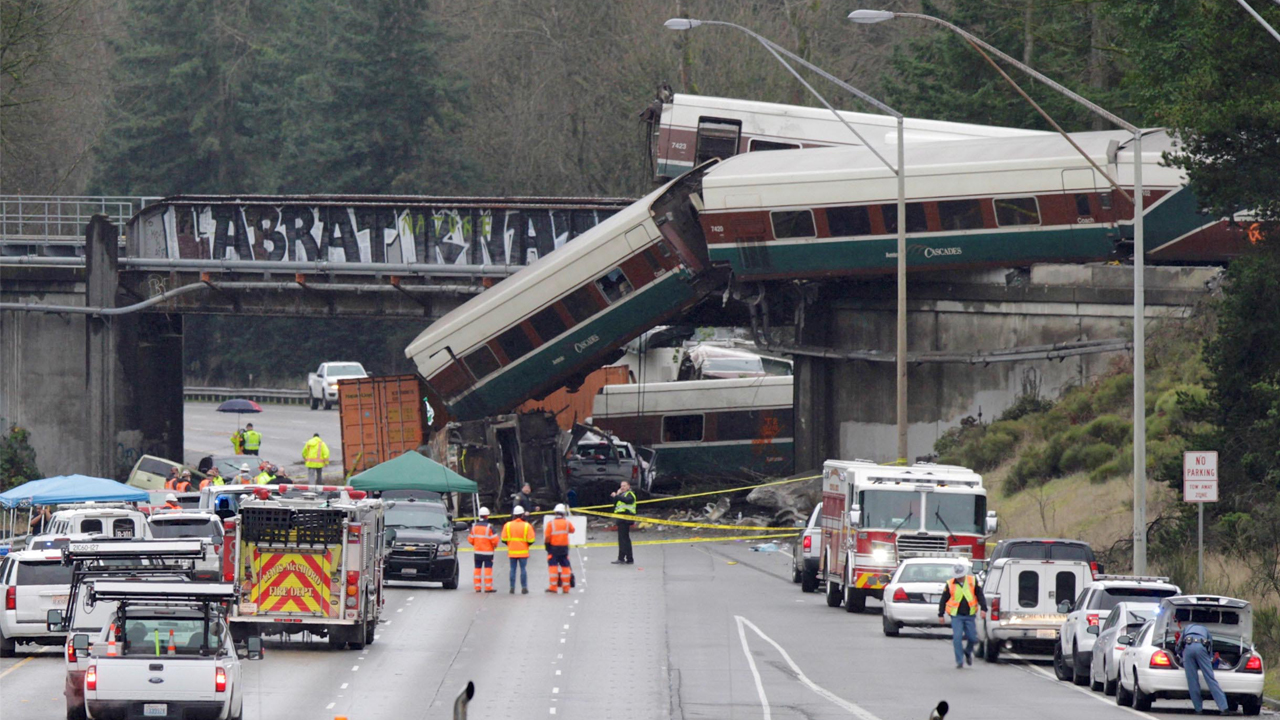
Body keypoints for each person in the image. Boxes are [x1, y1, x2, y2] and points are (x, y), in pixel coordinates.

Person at [937, 560, 987, 668]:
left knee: (973, 638)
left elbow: (980, 595)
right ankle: (959, 661)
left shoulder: (972, 581)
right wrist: (940, 615)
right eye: (957, 576)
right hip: (956, 616)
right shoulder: (950, 584)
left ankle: (968, 652)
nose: (959, 578)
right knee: (957, 638)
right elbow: (943, 600)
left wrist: (984, 608)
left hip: (970, 615)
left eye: (961, 576)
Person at [1176, 620, 1229, 714]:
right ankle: (1224, 707)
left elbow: (1178, 646)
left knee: (1192, 680)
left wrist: (1180, 655)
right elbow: (1210, 650)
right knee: (1210, 678)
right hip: (1201, 648)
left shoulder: (1186, 629)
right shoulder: (1206, 630)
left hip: (1188, 649)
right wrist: (1209, 661)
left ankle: (1198, 709)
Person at [500, 506, 536, 594]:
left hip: (512, 551)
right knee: (523, 569)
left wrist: (510, 544)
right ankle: (524, 587)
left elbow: (503, 539)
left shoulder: (507, 525)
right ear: (522, 515)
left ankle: (512, 588)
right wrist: (526, 545)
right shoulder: (527, 526)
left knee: (512, 569)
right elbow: (531, 540)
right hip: (523, 552)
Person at [466, 507, 499, 593]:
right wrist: (494, 546)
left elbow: (470, 539)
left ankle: (477, 587)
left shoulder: (474, 527)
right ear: (487, 516)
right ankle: (488, 588)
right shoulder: (489, 527)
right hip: (488, 553)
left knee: (477, 568)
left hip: (477, 552)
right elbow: (495, 540)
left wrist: (476, 544)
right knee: (488, 569)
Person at [544, 504, 575, 594]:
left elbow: (547, 537)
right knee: (565, 566)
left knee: (553, 567)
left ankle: (553, 587)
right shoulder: (567, 523)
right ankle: (566, 587)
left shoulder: (551, 523)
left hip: (553, 548)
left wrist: (547, 546)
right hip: (564, 548)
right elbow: (572, 530)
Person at [610, 480, 637, 565]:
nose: (622, 487)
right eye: (621, 486)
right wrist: (617, 495)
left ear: (628, 486)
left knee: (624, 539)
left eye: (624, 486)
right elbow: (615, 505)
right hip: (621, 519)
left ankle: (624, 558)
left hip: (626, 519)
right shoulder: (621, 495)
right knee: (623, 539)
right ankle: (627, 558)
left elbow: (628, 501)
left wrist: (617, 496)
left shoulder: (630, 494)